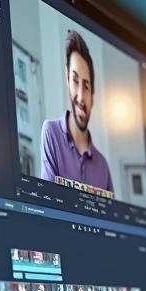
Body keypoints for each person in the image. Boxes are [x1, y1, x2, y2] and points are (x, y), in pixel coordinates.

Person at [40, 29, 114, 195]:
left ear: (93, 95)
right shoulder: (51, 133)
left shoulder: (103, 166)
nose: (81, 97)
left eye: (86, 86)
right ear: (67, 76)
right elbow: (49, 202)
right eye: (75, 80)